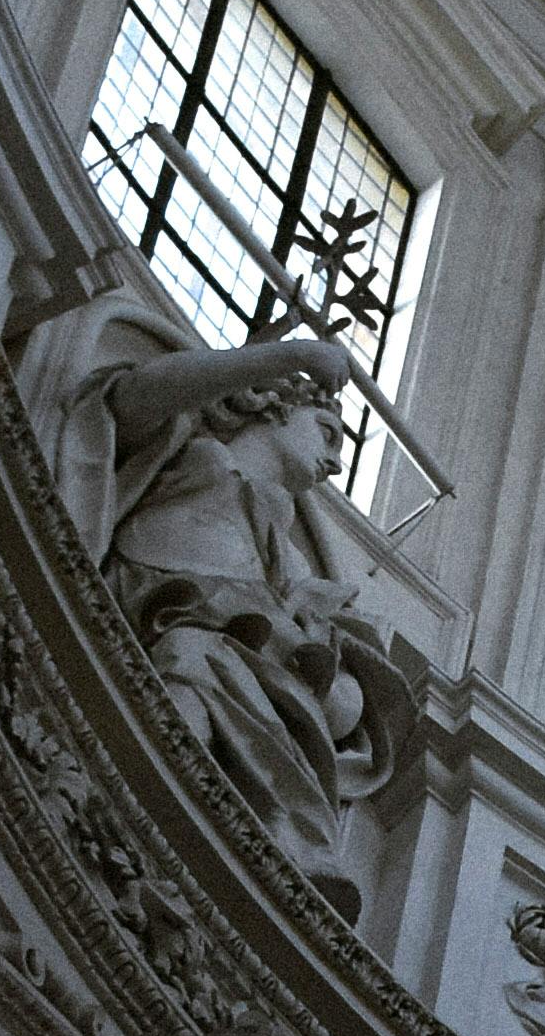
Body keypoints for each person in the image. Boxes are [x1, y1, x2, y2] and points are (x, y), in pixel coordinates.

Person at [44, 314, 416, 884]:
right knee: (192, 662)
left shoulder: (288, 559)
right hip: (159, 621)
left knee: (246, 678)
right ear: (274, 405)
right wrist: (287, 356)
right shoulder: (193, 445)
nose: (336, 463)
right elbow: (135, 395)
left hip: (227, 652)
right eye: (327, 431)